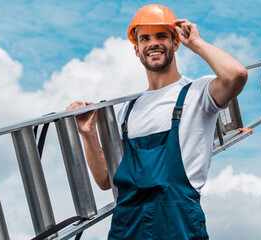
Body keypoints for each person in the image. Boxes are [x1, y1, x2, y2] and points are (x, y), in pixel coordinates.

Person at [65, 4, 247, 239]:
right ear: (137, 49)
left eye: (162, 35)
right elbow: (105, 180)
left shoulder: (198, 93)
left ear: (176, 42)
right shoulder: (128, 111)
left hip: (177, 225)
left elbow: (237, 75)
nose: (153, 43)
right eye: (145, 38)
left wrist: (196, 43)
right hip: (128, 226)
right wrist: (88, 133)